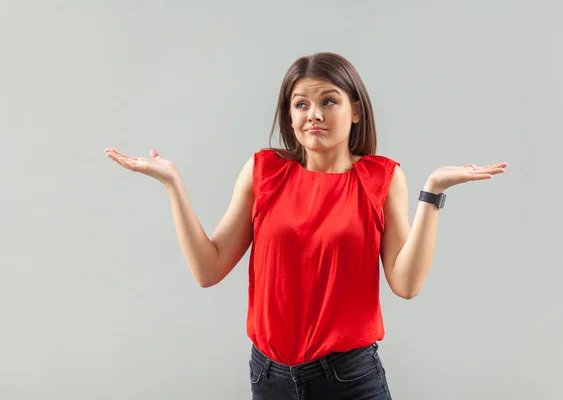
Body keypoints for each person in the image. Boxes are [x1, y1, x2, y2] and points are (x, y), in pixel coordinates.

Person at [104, 52, 507, 399]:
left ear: (355, 111)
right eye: (300, 104)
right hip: (269, 377)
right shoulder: (264, 171)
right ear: (290, 114)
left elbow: (406, 284)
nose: (313, 114)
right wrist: (172, 181)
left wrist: (433, 192)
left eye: (328, 101)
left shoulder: (380, 178)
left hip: (348, 378)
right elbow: (208, 269)